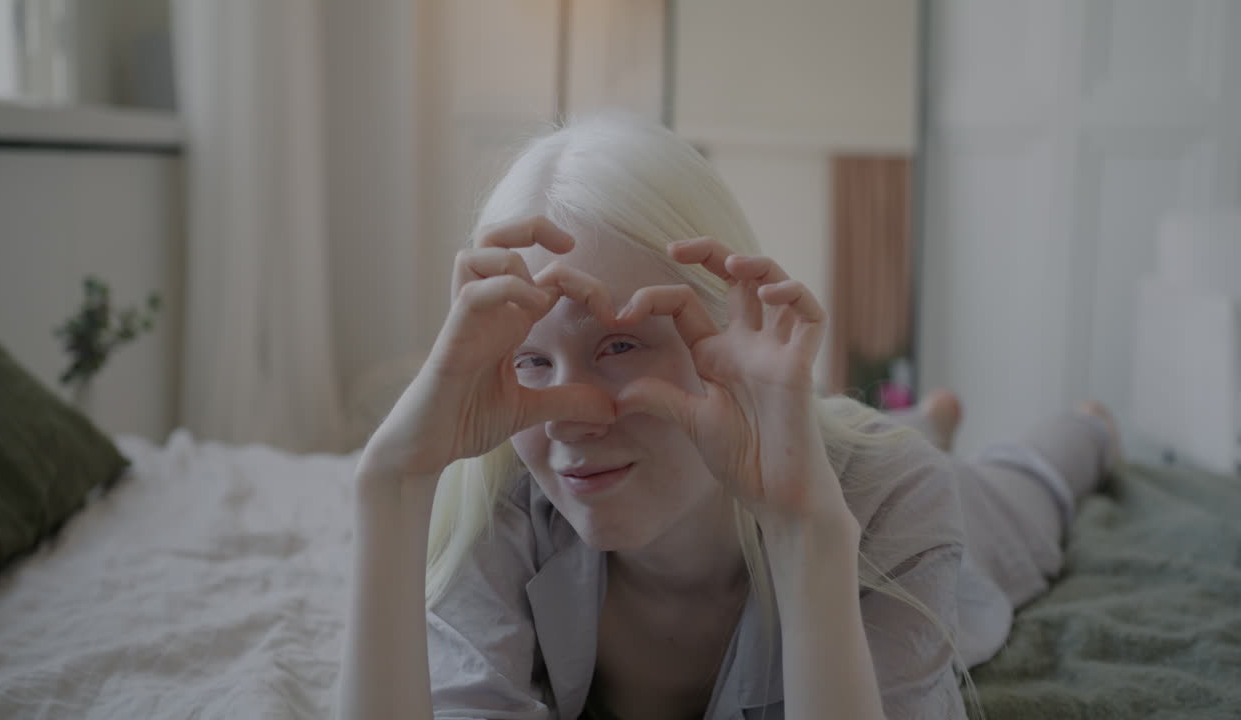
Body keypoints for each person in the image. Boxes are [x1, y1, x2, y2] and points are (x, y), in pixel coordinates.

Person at [335, 112, 1119, 720]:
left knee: (1027, 480)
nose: (571, 417)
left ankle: (1074, 422)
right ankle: (934, 415)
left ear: (728, 342)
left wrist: (806, 533)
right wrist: (390, 485)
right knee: (913, 434)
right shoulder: (505, 492)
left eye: (619, 344)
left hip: (897, 479)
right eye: (532, 359)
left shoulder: (889, 497)